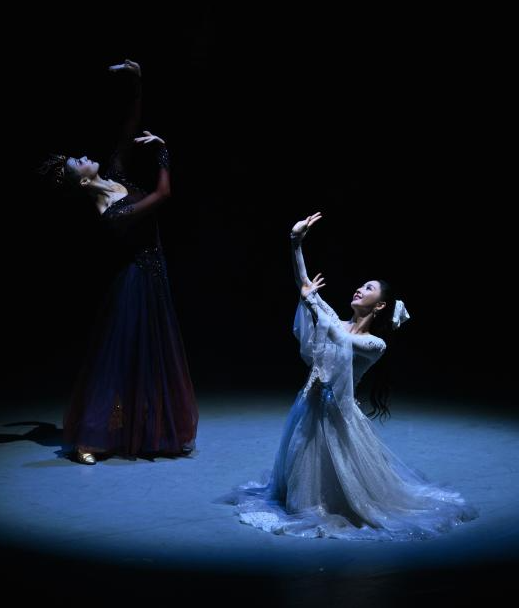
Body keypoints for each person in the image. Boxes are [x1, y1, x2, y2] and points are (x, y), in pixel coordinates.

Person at [220, 212, 477, 539]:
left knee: (343, 480)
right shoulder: (337, 322)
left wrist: (312, 303)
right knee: (301, 481)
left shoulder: (375, 344)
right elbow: (306, 287)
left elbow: (338, 336)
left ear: (380, 306)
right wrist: (295, 243)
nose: (359, 289)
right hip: (310, 408)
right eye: (361, 285)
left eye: (368, 288)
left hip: (338, 416)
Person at [39, 59, 197, 464]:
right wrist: (163, 153)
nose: (84, 156)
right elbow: (162, 196)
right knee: (122, 362)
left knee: (149, 360)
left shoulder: (113, 175)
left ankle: (141, 429)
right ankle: (92, 438)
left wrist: (137, 82)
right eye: (78, 162)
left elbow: (129, 131)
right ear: (82, 180)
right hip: (136, 282)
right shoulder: (110, 213)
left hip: (153, 275)